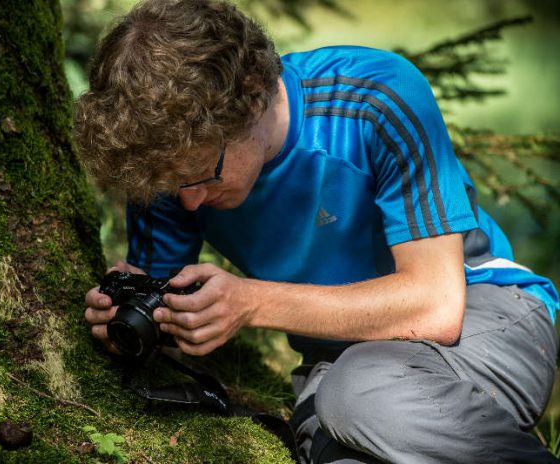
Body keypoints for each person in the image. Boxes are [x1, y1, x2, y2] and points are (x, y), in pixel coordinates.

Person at [77, 0, 560, 462]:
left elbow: (436, 305)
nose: (189, 200)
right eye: (171, 184)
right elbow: (163, 310)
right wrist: (134, 315)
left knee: (358, 395)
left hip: (485, 313)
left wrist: (252, 303)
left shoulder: (374, 100)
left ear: (253, 97)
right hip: (338, 367)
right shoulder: (173, 166)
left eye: (205, 172)